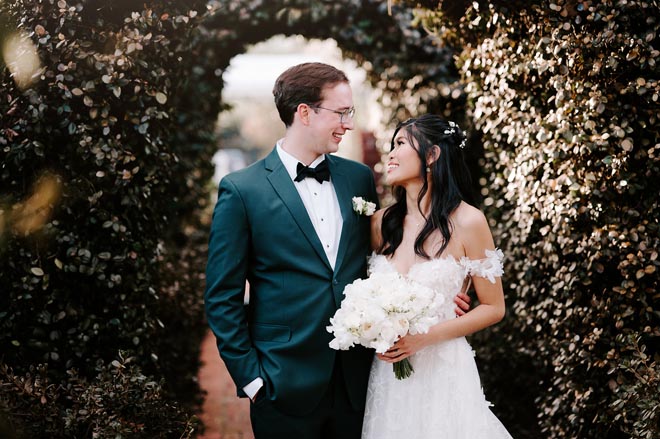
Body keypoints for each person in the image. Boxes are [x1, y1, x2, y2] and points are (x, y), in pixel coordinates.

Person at [205, 63, 471, 439]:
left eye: (351, 113)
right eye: (341, 112)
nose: (348, 123)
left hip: (359, 381)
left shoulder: (358, 177)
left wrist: (445, 296)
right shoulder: (242, 190)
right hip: (282, 382)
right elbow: (221, 297)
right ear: (304, 112)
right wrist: (252, 380)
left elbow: (392, 253)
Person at [362, 114, 513, 438]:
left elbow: (493, 307)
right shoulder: (380, 223)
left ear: (432, 155)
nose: (390, 153)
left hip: (444, 370)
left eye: (401, 143)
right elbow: (362, 295)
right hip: (389, 375)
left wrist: (424, 337)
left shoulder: (470, 222)